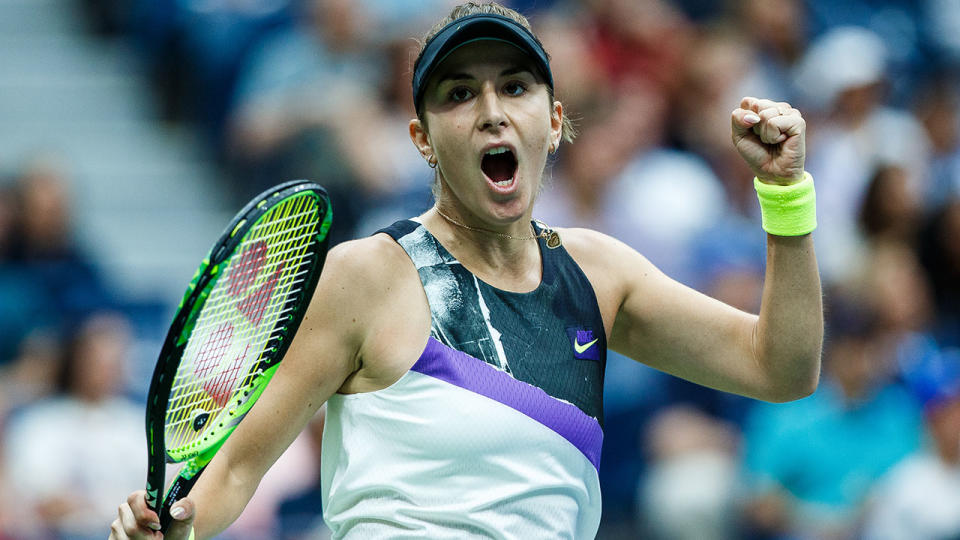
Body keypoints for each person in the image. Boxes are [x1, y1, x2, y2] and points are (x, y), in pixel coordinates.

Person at [110, 3, 822, 539]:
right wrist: (176, 525)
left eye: (515, 88)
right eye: (458, 95)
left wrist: (785, 198)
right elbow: (235, 466)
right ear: (420, 137)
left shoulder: (599, 274)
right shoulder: (366, 276)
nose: (491, 114)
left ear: (554, 117)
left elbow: (781, 369)